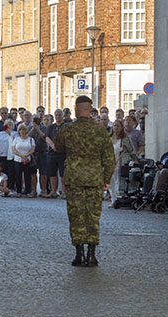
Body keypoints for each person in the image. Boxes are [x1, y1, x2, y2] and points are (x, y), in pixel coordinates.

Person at [53, 96, 116, 267]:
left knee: (76, 215)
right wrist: (106, 180)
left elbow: (58, 147)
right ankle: (92, 254)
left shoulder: (68, 130)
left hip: (74, 178)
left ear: (75, 109)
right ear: (90, 109)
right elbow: (110, 159)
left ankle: (79, 254)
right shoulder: (100, 131)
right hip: (95, 179)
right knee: (93, 216)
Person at [107, 119, 138, 207]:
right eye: (114, 125)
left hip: (120, 161)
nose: (116, 127)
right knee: (110, 182)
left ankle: (118, 199)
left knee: (118, 180)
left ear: (121, 127)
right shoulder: (109, 138)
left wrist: (135, 159)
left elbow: (131, 150)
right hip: (109, 162)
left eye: (118, 126)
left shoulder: (124, 138)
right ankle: (113, 199)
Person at [45, 109, 67, 198]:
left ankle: (64, 192)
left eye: (59, 115)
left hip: (63, 153)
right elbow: (46, 138)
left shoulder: (66, 127)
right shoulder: (51, 127)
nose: (58, 116)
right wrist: (53, 146)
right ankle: (53, 191)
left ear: (63, 116)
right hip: (52, 153)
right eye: (56, 115)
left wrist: (61, 146)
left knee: (63, 173)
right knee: (52, 173)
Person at [11, 123, 36, 197]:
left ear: (26, 130)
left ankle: (28, 191)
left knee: (27, 176)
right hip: (18, 159)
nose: (22, 131)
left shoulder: (31, 139)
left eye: (24, 129)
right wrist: (21, 155)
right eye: (20, 129)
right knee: (18, 176)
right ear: (18, 131)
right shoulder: (16, 139)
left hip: (27, 159)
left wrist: (26, 155)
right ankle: (19, 191)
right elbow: (14, 149)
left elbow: (32, 149)